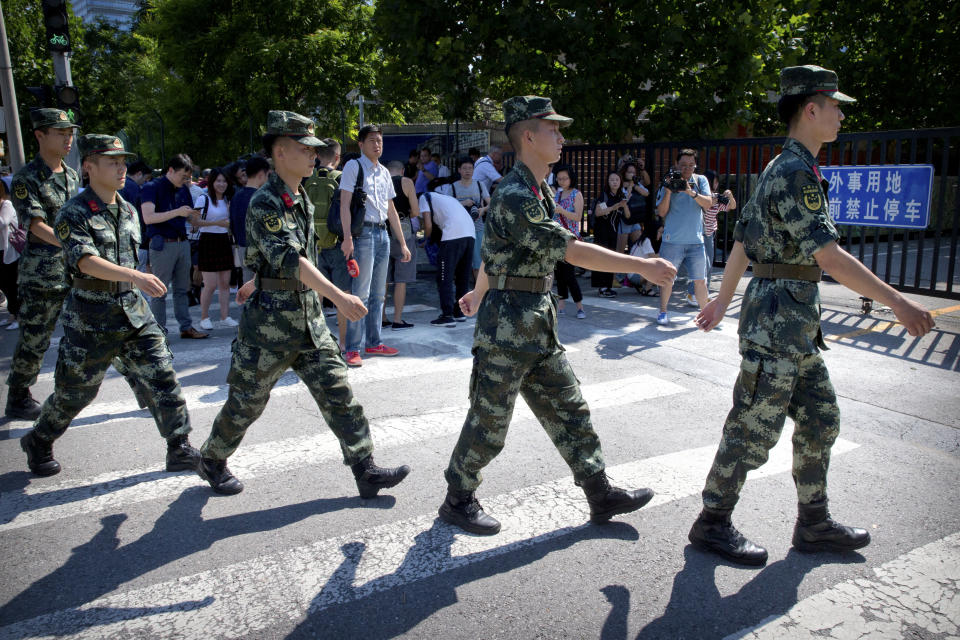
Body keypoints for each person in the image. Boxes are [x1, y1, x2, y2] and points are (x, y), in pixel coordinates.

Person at [688, 65, 935, 567]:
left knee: (821, 419)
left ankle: (814, 522)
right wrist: (899, 303)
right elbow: (828, 256)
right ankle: (712, 521)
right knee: (753, 428)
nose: (842, 115)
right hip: (778, 324)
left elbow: (742, 240)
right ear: (811, 110)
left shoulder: (786, 167)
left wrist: (720, 299)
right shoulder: (793, 171)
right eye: (835, 106)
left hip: (794, 325)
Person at [438, 96, 676, 535]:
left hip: (537, 321)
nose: (563, 138)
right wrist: (642, 265)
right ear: (529, 136)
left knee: (571, 409)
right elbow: (568, 248)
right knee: (489, 421)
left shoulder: (537, 188)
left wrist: (475, 290)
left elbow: (498, 256)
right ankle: (458, 497)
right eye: (554, 130)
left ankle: (598, 490)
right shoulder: (514, 193)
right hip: (507, 327)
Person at [195, 111, 411, 497]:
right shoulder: (266, 202)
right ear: (279, 152)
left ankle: (365, 468)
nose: (314, 155)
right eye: (304, 148)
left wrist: (255, 280)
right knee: (247, 402)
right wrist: (339, 296)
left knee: (339, 393)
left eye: (315, 149)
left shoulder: (300, 197)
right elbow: (292, 260)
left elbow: (285, 259)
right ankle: (212, 458)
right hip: (270, 328)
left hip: (308, 321)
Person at [18, 134, 201, 477]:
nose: (121, 168)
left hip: (132, 311)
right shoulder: (73, 213)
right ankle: (39, 439)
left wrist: (136, 279)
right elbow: (85, 262)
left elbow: (127, 256)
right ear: (89, 167)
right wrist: (136, 276)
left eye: (123, 162)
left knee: (162, 376)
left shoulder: (129, 210)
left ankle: (179, 446)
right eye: (112, 162)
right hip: (91, 316)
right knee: (76, 393)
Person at [5, 109, 82, 419]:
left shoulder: (72, 174)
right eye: (60, 132)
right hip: (42, 272)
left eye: (70, 132)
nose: (68, 138)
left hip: (74, 267)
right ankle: (18, 394)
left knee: (93, 328)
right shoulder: (25, 178)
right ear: (40, 135)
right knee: (35, 338)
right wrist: (75, 245)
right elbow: (34, 225)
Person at [338, 125, 411, 368]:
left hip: (383, 234)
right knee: (360, 293)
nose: (377, 144)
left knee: (379, 293)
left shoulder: (384, 172)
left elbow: (391, 209)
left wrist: (402, 242)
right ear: (360, 144)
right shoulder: (353, 166)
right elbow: (345, 205)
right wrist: (347, 237)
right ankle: (352, 348)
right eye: (371, 140)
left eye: (379, 140)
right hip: (363, 235)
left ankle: (374, 342)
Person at [141, 154, 209, 339]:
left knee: (182, 289)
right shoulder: (151, 187)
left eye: (188, 177)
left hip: (182, 242)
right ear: (170, 170)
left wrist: (193, 216)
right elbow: (148, 217)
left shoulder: (184, 189)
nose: (187, 181)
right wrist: (177, 212)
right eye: (183, 176)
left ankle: (186, 327)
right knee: (159, 290)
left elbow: (187, 216)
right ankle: (158, 331)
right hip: (163, 244)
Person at [655, 149, 713, 325]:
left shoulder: (700, 181)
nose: (687, 169)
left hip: (696, 242)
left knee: (700, 281)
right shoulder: (667, 182)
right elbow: (662, 211)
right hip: (672, 241)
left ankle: (705, 316)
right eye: (683, 165)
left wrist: (690, 191)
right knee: (667, 279)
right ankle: (663, 312)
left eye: (690, 165)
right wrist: (669, 191)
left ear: (695, 166)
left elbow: (708, 204)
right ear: (676, 165)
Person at [304, 138, 351, 349]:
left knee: (315, 295)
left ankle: (317, 342)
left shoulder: (306, 178)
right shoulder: (342, 179)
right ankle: (342, 343)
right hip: (339, 244)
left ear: (317, 155)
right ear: (338, 157)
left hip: (313, 244)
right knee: (343, 296)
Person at [420, 183, 474, 327]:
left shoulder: (424, 197)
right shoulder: (448, 199)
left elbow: (428, 225)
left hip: (453, 235)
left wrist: (424, 239)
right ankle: (459, 312)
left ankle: (447, 315)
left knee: (444, 276)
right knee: (462, 277)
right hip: (470, 234)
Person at [194, 167, 237, 330]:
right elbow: (194, 221)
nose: (221, 184)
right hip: (208, 240)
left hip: (224, 240)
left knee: (225, 283)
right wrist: (216, 223)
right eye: (218, 180)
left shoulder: (228, 199)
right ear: (212, 182)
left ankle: (225, 316)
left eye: (224, 181)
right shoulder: (203, 198)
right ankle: (204, 317)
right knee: (210, 284)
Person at [687, 170, 736, 303]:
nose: (715, 184)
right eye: (713, 181)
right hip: (697, 234)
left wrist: (730, 196)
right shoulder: (698, 196)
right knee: (704, 265)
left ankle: (703, 294)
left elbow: (732, 206)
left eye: (715, 182)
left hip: (709, 234)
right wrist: (708, 202)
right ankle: (693, 293)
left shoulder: (717, 197)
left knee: (708, 265)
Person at [384, 160, 420, 330]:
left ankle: (381, 318)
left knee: (382, 279)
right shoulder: (406, 182)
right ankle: (397, 319)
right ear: (402, 170)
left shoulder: (380, 180)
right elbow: (416, 211)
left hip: (381, 230)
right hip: (403, 232)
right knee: (401, 279)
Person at [443, 156, 490, 283]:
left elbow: (491, 203)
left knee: (478, 264)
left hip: (478, 228)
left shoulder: (480, 185)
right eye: (464, 168)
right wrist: (463, 203)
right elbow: (446, 207)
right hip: (459, 231)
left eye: (470, 168)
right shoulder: (452, 187)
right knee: (461, 265)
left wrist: (483, 210)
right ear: (459, 170)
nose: (468, 171)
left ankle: (478, 293)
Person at [552, 165, 585, 318]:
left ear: (571, 178)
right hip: (557, 239)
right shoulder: (557, 194)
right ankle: (561, 304)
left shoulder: (576, 194)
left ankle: (580, 306)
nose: (562, 181)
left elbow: (578, 217)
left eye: (564, 178)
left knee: (570, 275)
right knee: (559, 274)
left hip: (570, 239)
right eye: (559, 178)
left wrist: (562, 211)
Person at [230, 155, 269, 286]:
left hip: (242, 247)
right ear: (261, 174)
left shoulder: (236, 196)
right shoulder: (261, 197)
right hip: (260, 250)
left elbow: (233, 224)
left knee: (248, 289)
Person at [591, 170, 628, 298]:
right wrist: (614, 207)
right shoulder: (604, 196)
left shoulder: (621, 195)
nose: (614, 182)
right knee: (601, 257)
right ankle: (602, 287)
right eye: (612, 180)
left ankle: (608, 286)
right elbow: (598, 212)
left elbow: (628, 215)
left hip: (613, 231)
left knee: (610, 257)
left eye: (617, 180)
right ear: (608, 182)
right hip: (602, 231)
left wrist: (624, 204)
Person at [0, 180, 21, 330]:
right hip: (0, 251)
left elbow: (3, 222)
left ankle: (18, 316)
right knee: (4, 284)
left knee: (12, 284)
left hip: (10, 252)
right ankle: (12, 314)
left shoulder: (6, 205)